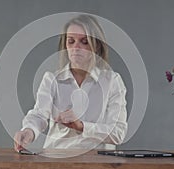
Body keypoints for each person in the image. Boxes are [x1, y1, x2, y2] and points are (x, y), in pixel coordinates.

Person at [14, 14, 128, 152]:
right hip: (56, 158)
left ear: (96, 45)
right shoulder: (52, 79)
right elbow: (39, 115)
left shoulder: (112, 81)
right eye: (71, 41)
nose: (76, 47)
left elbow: (118, 133)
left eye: (84, 41)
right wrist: (28, 131)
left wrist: (81, 126)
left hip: (99, 161)